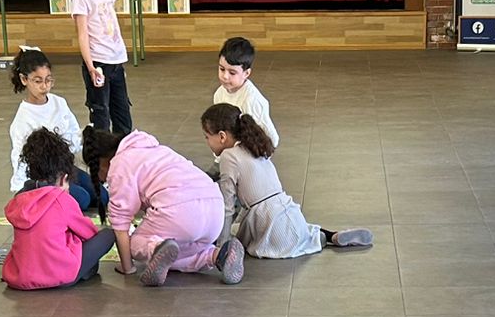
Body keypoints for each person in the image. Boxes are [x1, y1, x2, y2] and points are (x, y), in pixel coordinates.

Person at [199, 105, 372, 259]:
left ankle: (316, 239)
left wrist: (221, 245)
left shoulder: (228, 156)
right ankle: (330, 236)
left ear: (222, 136)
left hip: (265, 223)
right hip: (289, 211)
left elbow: (227, 206)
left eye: (207, 137)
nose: (206, 141)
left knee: (234, 232)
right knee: (302, 232)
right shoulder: (253, 146)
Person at [83, 126, 244, 286]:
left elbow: (120, 224)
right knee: (179, 252)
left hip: (181, 213)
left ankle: (157, 247)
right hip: (215, 212)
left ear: (101, 164)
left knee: (134, 243)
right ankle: (218, 256)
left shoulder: (120, 164)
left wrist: (127, 268)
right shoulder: (154, 148)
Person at [4, 129, 116, 290]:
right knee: (108, 235)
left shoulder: (20, 199)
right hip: (60, 276)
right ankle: (83, 272)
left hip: (21, 277)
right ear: (64, 178)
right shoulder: (61, 200)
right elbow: (89, 233)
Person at [5, 46, 101, 215]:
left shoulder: (59, 102)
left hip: (65, 167)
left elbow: (74, 133)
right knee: (83, 200)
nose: (44, 86)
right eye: (38, 81)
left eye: (48, 80)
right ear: (24, 79)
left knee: (102, 196)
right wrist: (22, 189)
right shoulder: (22, 119)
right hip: (44, 176)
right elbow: (19, 158)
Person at [69, 0, 132, 134]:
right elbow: (82, 33)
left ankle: (125, 151)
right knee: (101, 114)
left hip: (115, 60)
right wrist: (90, 66)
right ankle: (102, 154)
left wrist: (119, 56)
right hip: (97, 62)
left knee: (122, 113)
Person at [213, 36, 278, 147]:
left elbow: (271, 139)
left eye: (232, 73)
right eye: (222, 69)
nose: (225, 76)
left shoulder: (252, 100)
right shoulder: (219, 94)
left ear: (246, 73)